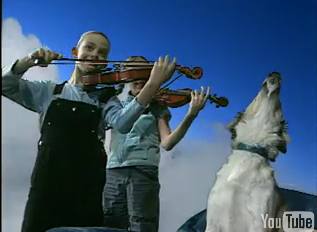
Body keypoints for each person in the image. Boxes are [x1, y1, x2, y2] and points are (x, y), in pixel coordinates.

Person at [2, 31, 177, 232]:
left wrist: (153, 84)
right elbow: (5, 84)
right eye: (89, 47)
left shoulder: (104, 98)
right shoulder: (49, 91)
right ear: (75, 51)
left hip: (88, 190)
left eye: (103, 54)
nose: (95, 55)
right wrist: (28, 61)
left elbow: (122, 123)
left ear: (105, 63)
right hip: (46, 188)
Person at [103, 56, 211, 232]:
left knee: (143, 224)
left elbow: (167, 143)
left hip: (143, 171)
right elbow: (120, 124)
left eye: (144, 73)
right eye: (133, 72)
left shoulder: (158, 106)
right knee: (111, 223)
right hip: (113, 171)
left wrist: (191, 114)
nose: (139, 78)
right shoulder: (115, 103)